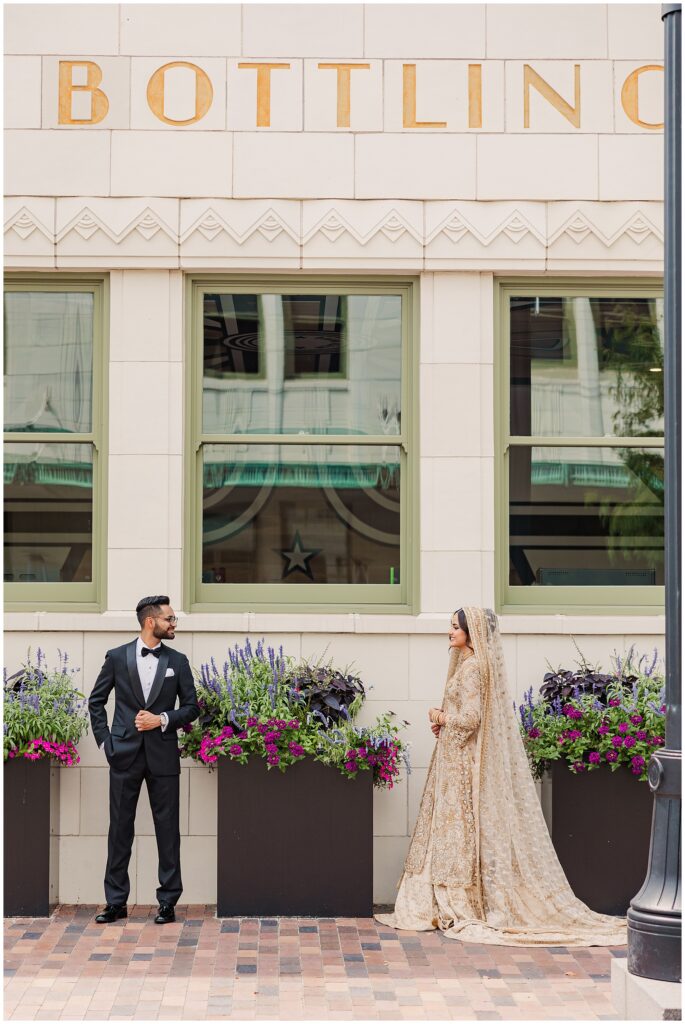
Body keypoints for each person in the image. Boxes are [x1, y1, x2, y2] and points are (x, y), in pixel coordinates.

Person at [376, 606, 626, 946]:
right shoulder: (469, 665)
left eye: (455, 628)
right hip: (454, 758)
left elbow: (470, 720)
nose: (450, 632)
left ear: (471, 632)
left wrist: (439, 715)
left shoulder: (473, 668)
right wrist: (444, 722)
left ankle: (460, 899)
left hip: (461, 764)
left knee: (458, 828)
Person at [88, 595, 199, 925]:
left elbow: (191, 707)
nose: (173, 624)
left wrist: (161, 719)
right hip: (123, 756)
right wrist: (107, 743)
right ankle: (116, 901)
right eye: (170, 619)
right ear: (151, 621)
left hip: (163, 757)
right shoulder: (117, 657)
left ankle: (167, 901)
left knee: (168, 830)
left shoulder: (177, 662)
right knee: (119, 829)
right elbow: (96, 702)